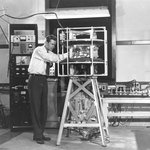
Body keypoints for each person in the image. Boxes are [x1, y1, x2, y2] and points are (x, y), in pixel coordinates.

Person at [28, 34, 67, 144]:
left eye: (54, 45)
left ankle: (40, 133)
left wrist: (65, 56)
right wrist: (68, 54)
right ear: (46, 42)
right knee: (36, 108)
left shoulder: (48, 52)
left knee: (44, 108)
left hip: (43, 80)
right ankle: (37, 135)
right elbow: (53, 58)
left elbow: (56, 58)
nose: (53, 46)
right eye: (52, 44)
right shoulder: (39, 50)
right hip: (35, 80)